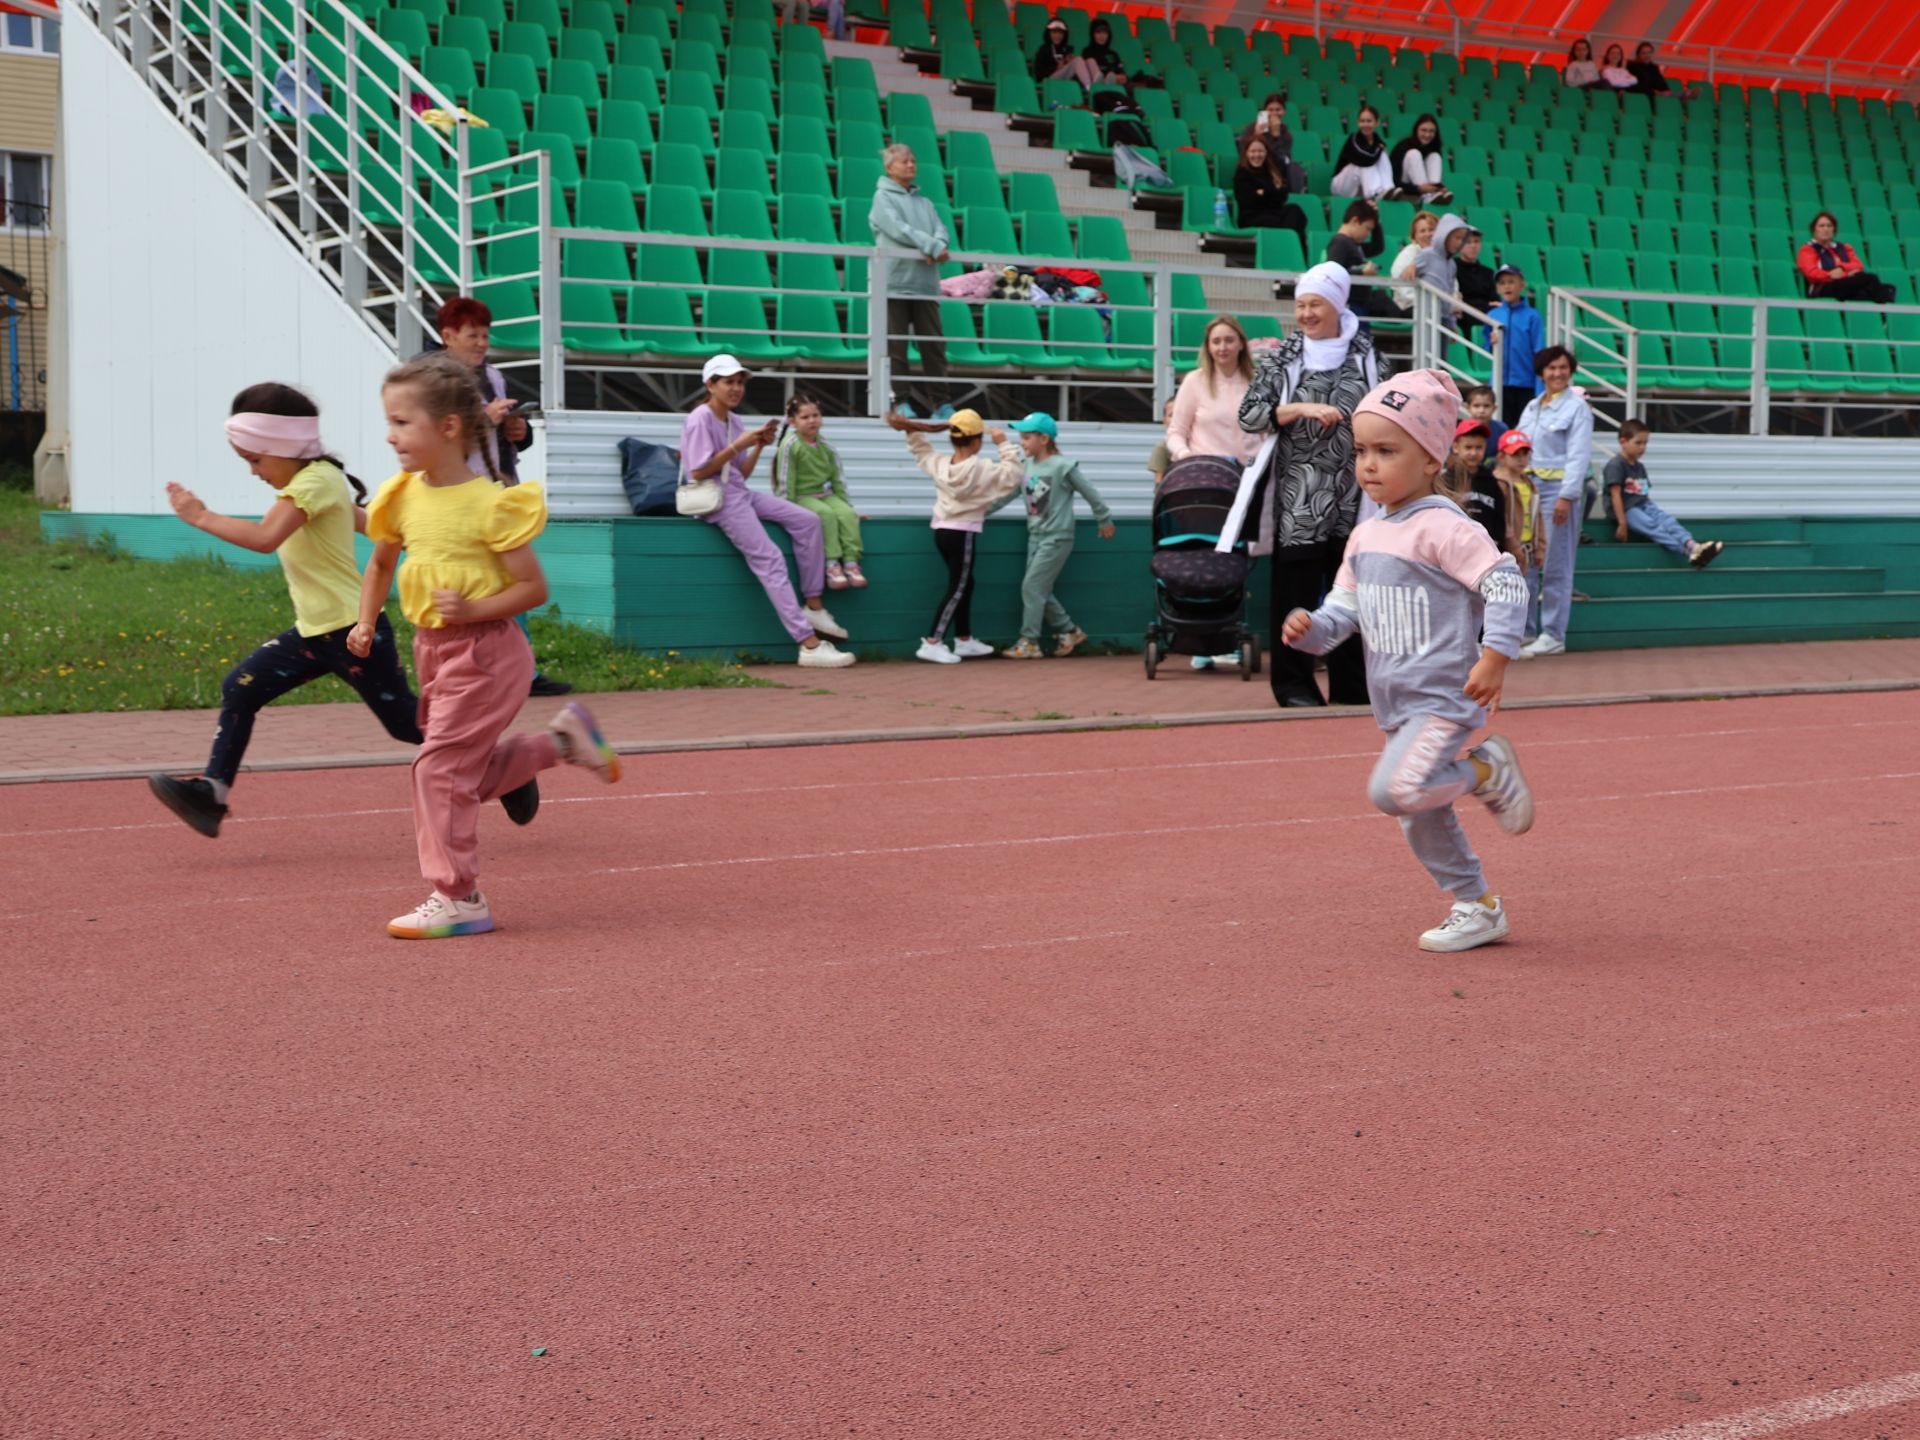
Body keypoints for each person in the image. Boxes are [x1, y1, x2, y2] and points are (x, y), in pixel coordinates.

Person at [351, 354, 618, 940]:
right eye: (389, 422)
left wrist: (473, 610)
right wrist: (366, 621)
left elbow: (533, 588)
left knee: (437, 768)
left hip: (488, 653)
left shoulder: (490, 504)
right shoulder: (401, 496)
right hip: (434, 650)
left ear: (447, 428)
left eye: (402, 422)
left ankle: (458, 896)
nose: (390, 435)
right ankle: (561, 741)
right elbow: (378, 562)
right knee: (457, 770)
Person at [144, 382, 481, 838]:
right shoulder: (320, 483)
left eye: (256, 460)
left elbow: (266, 539)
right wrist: (411, 535)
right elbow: (371, 525)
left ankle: (503, 766)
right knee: (240, 689)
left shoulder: (315, 482)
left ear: (284, 448)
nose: (253, 472)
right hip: (313, 634)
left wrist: (200, 516)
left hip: (351, 632)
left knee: (408, 724)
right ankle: (212, 794)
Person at [1279, 369, 1534, 954]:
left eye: (1386, 450)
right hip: (1395, 706)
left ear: (1429, 460)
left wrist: (1495, 657)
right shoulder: (1365, 537)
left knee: (1395, 791)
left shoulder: (1445, 526)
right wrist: (1310, 630)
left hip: (1443, 697)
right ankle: (1477, 905)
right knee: (1419, 810)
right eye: (1361, 451)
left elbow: (1505, 583)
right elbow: (1342, 614)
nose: (1369, 465)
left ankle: (1485, 771)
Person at [1231, 261, 1389, 708]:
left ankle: (1353, 685)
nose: (1305, 314)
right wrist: (1299, 409)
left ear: (1337, 305)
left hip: (1357, 498)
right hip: (1299, 502)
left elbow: (1393, 411)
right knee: (1295, 596)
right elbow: (1249, 415)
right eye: (1300, 305)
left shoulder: (1369, 358)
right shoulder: (1283, 359)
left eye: (1314, 304)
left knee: (1354, 594)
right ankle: (1295, 685)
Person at [425, 296, 571, 697]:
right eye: (473, 335)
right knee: (479, 584)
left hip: (497, 490)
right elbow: (434, 438)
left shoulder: (494, 376)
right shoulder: (432, 380)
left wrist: (518, 432)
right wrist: (482, 422)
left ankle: (516, 669)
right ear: (448, 336)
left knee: (512, 581)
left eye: (486, 335)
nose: (481, 343)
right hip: (458, 496)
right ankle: (486, 670)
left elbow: (501, 436)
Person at [682, 354, 856, 668]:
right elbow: (697, 472)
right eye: (728, 382)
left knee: (807, 520)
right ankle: (809, 644)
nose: (736, 389)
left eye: (739, 382)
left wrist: (759, 444)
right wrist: (738, 445)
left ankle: (814, 606)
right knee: (770, 557)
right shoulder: (700, 418)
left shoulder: (734, 420)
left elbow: (741, 474)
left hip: (739, 492)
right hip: (717, 499)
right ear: (710, 384)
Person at [887, 407, 1025, 664]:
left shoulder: (940, 464)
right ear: (976, 440)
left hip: (942, 531)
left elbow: (921, 451)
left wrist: (912, 430)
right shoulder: (982, 468)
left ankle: (964, 640)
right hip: (963, 533)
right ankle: (933, 642)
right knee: (958, 588)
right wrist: (1004, 444)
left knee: (964, 584)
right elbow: (1013, 476)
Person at [998, 412, 1115, 659]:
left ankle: (1029, 641)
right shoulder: (1025, 466)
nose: (1022, 442)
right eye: (1021, 437)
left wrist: (1103, 518)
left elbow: (1090, 492)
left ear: (1044, 438)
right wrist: (979, 511)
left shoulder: (1063, 466)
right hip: (1035, 536)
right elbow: (1009, 494)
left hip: (1057, 537)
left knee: (1032, 587)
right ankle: (1069, 630)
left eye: (1027, 437)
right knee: (1038, 590)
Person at [1514, 345, 1593, 658]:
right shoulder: (1533, 406)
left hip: (1557, 489)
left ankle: (1554, 633)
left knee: (1556, 561)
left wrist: (1567, 496)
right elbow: (1518, 445)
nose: (1558, 373)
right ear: (1542, 373)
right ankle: (1526, 631)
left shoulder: (1577, 408)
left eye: (1563, 367)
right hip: (1529, 489)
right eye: (1551, 368)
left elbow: (1578, 455)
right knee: (1529, 559)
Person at [870, 144, 951, 417]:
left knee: (934, 345)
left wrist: (937, 244)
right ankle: (900, 401)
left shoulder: (925, 203)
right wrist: (931, 247)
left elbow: (941, 229)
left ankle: (941, 403)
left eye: (913, 160)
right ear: (889, 167)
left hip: (925, 284)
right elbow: (897, 229)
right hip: (895, 283)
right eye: (904, 161)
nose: (911, 165)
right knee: (896, 346)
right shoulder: (882, 198)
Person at [772, 394, 866, 590]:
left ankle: (851, 562)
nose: (812, 420)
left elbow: (838, 479)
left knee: (846, 514)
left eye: (815, 415)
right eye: (805, 417)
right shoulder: (790, 445)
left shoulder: (827, 447)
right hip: (799, 497)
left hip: (823, 495)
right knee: (826, 514)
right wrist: (786, 509)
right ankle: (832, 564)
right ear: (793, 421)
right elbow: (784, 479)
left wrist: (846, 505)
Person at [1606, 418, 1724, 567]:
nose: (1642, 447)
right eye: (1638, 443)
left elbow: (1644, 493)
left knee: (1667, 521)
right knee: (1652, 526)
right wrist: (1622, 523)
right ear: (1623, 442)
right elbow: (1615, 494)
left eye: (1645, 443)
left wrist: (1652, 509)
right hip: (1626, 509)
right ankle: (1687, 552)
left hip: (1643, 504)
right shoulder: (1616, 465)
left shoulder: (1640, 466)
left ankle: (1693, 545)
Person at [1169, 315, 1261, 465]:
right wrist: (1185, 455)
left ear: (1241, 344)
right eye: (1216, 342)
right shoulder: (1194, 380)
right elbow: (1176, 431)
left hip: (1252, 472)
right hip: (1209, 473)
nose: (1222, 348)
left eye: (1229, 340)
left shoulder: (1260, 381)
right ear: (1208, 347)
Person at [1492, 430, 1546, 611]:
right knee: (1508, 595)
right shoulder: (1498, 482)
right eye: (1515, 454)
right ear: (1501, 456)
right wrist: (1511, 543)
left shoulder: (1530, 484)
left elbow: (1538, 517)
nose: (1521, 459)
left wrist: (1540, 546)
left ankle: (1528, 634)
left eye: (1525, 454)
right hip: (1508, 549)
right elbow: (1502, 517)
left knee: (1529, 592)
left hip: (1528, 548)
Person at [1485, 264, 1545, 426]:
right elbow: (1487, 347)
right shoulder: (1493, 315)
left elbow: (1539, 350)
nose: (1507, 286)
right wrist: (1491, 344)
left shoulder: (1532, 316)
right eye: (1502, 283)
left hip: (1526, 384)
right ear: (1497, 288)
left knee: (1524, 427)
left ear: (1521, 285)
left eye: (1511, 281)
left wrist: (1540, 387)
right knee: (1501, 426)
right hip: (1500, 383)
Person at [1797, 212, 1899, 304]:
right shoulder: (1808, 249)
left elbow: (1858, 265)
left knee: (1863, 294)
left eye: (1829, 226)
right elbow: (1812, 274)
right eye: (1821, 226)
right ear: (1814, 229)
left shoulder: (1843, 247)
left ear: (1834, 230)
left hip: (1844, 285)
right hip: (1822, 287)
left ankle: (1881, 315)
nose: (1826, 229)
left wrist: (1842, 269)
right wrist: (1831, 275)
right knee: (1871, 279)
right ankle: (1884, 312)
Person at [1233, 135, 1308, 252]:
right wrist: (1271, 192)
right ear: (1246, 153)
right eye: (1253, 151)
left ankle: (1298, 254)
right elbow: (1248, 201)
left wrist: (1263, 192)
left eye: (1260, 151)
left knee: (1295, 211)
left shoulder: (1272, 171)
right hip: (1251, 217)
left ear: (1266, 153)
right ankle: (1287, 250)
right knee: (1286, 223)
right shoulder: (1242, 174)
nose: (1256, 155)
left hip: (1273, 212)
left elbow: (1283, 195)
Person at [1448, 419, 1504, 551]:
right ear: (1456, 447)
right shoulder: (1447, 479)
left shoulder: (1491, 479)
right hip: (1456, 547)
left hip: (1487, 547)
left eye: (1478, 448)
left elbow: (1499, 516)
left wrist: (1498, 542)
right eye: (1468, 447)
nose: (1473, 453)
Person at [1326, 199, 1386, 314]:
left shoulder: (1353, 244)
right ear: (1355, 221)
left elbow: (1378, 247)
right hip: (1349, 306)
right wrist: (1361, 272)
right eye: (1367, 228)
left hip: (1358, 305)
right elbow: (1333, 273)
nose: (1368, 234)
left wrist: (1376, 219)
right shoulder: (1340, 242)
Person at [1329, 104, 1395, 201]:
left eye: (1369, 121)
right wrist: (1380, 149)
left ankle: (1388, 190)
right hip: (1341, 186)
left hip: (1359, 189)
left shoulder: (1379, 143)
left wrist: (1381, 150)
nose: (1365, 124)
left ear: (1377, 123)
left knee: (1383, 156)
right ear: (1358, 123)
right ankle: (1374, 193)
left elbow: (1376, 155)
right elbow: (1365, 159)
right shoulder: (1354, 139)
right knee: (1363, 163)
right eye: (1362, 121)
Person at [1414, 214, 1472, 317]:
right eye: (1457, 238)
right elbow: (1403, 277)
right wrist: (1411, 266)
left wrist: (1452, 324)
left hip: (1444, 316)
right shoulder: (1427, 254)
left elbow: (1450, 293)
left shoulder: (1452, 264)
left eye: (1462, 239)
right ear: (1445, 236)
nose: (1459, 242)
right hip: (1426, 315)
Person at [1389, 114, 1452, 205]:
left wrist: (1439, 187)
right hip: (1404, 193)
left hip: (1420, 195)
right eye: (1423, 130)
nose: (1427, 135)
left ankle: (1434, 193)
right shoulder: (1403, 146)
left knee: (1435, 156)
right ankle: (1428, 196)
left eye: (1431, 131)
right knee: (1414, 154)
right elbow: (1394, 181)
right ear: (1416, 130)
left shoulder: (1433, 148)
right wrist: (1418, 189)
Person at [1388, 209, 1438, 314]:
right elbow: (1406, 293)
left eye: (1431, 229)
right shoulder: (1406, 256)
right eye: (1422, 231)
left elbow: (1452, 286)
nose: (1428, 234)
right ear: (1414, 236)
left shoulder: (1443, 256)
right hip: (1412, 309)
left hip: (1438, 309)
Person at [1032, 16, 1098, 89]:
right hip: (1049, 80)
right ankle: (1090, 87)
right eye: (1054, 32)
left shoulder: (1067, 49)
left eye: (1060, 33)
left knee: (1090, 60)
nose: (1057, 36)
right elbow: (1039, 73)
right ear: (1048, 33)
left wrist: (1068, 62)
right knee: (1077, 60)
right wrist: (1056, 68)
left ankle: (1098, 84)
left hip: (1065, 79)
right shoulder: (1043, 49)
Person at [1455, 228, 1496, 318]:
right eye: (1468, 242)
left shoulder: (1488, 272)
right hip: (1464, 317)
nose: (1473, 246)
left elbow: (1494, 300)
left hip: (1487, 315)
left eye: (1476, 241)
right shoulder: (1453, 267)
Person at [1463, 384, 1508, 448]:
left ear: (1494, 408)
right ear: (1468, 407)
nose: (1481, 411)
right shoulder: (1461, 429)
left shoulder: (1501, 429)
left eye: (1486, 406)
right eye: (1476, 406)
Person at [1147, 396, 1175, 484]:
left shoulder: (1198, 444)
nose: (1176, 419)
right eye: (1171, 415)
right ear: (1164, 421)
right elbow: (1159, 482)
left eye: (1181, 414)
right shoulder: (1162, 447)